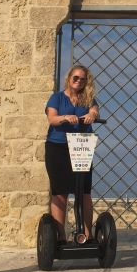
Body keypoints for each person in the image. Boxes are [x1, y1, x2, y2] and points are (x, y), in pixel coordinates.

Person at [44, 65, 100, 240]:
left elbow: (94, 111)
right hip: (58, 147)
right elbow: (52, 119)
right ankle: (60, 237)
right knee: (60, 192)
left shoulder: (88, 98)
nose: (79, 81)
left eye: (83, 79)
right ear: (69, 78)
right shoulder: (57, 98)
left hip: (81, 146)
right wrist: (65, 118)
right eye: (75, 78)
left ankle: (86, 235)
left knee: (84, 192)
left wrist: (92, 115)